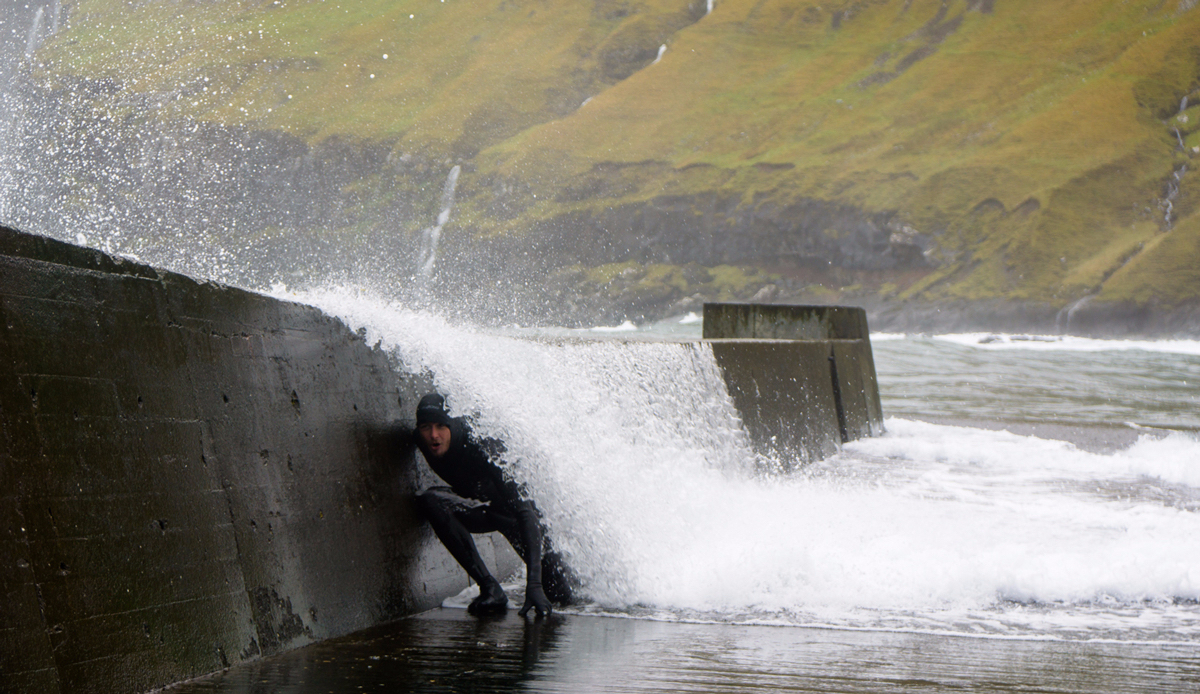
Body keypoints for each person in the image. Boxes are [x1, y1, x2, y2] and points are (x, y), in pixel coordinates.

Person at [413, 393, 575, 618]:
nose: (433, 435)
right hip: (483, 510)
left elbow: (526, 513)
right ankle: (490, 587)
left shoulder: (483, 446)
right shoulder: (422, 439)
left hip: (518, 516)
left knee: (563, 595)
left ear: (452, 424)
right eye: (426, 427)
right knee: (431, 501)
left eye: (441, 426)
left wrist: (534, 584)